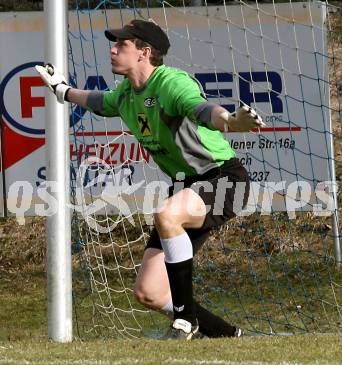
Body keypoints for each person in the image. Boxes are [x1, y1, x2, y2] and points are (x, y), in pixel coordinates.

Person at [36, 19, 265, 340]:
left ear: (144, 52)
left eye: (121, 45)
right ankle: (229, 336)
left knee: (168, 213)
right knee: (150, 292)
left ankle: (186, 321)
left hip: (224, 178)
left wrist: (228, 120)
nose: (113, 50)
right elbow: (99, 102)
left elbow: (201, 109)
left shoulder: (170, 83)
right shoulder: (127, 94)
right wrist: (63, 91)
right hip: (186, 186)